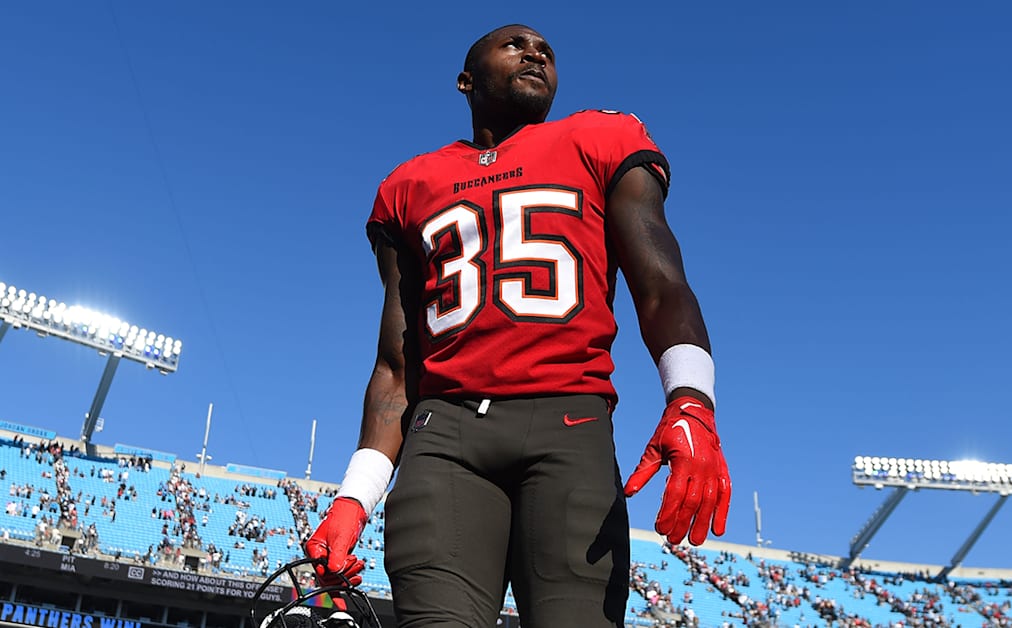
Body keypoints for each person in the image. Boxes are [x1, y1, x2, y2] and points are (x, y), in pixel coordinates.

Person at [305, 23, 730, 627]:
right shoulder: (408, 185)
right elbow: (398, 365)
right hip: (444, 436)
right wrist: (355, 494)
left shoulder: (600, 137)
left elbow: (661, 283)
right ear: (465, 80)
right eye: (515, 45)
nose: (535, 53)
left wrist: (690, 400)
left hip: (569, 426)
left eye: (546, 51)